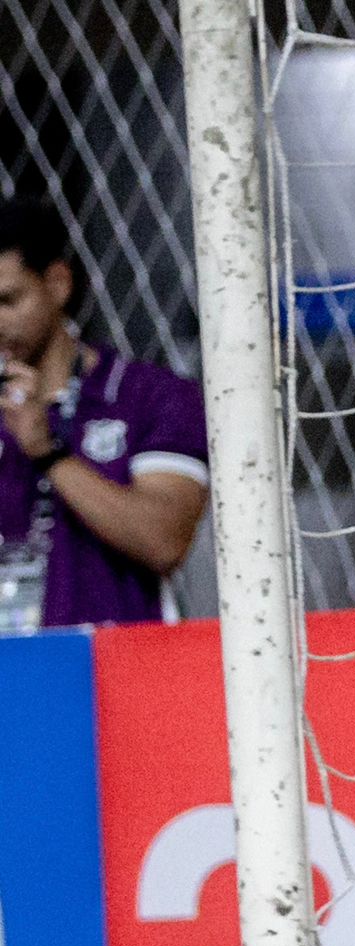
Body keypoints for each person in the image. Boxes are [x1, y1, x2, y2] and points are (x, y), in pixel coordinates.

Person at [0, 198, 209, 632]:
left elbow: (164, 541)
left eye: (8, 300)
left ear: (57, 283)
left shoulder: (151, 397)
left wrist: (50, 454)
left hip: (120, 674)